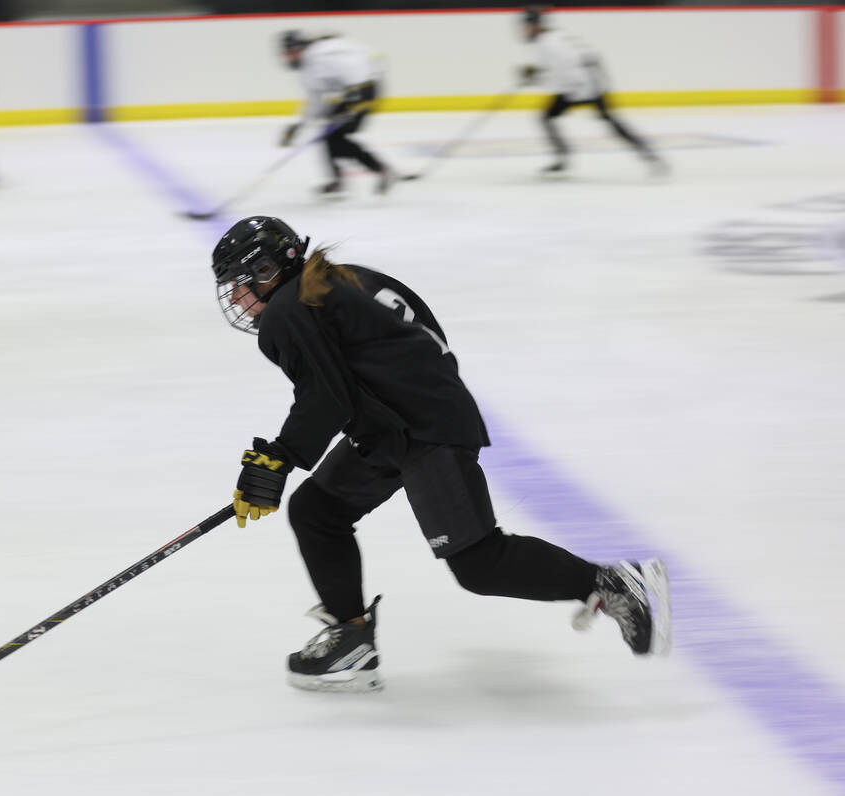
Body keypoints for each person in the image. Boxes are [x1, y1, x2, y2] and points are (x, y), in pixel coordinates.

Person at [211, 216, 671, 693]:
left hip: (423, 429)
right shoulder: (339, 277)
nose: (239, 300)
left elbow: (326, 399)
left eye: (240, 285)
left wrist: (278, 459)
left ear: (267, 271)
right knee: (317, 509)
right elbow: (420, 339)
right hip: (403, 423)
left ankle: (616, 583)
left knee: (478, 563)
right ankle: (350, 638)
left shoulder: (290, 308)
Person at [519, 7, 666, 177]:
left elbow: (564, 74)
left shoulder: (550, 44)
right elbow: (575, 64)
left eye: (527, 25)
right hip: (582, 84)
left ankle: (649, 156)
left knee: (611, 123)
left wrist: (536, 79)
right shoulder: (549, 39)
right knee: (547, 117)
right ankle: (563, 158)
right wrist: (538, 76)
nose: (524, 29)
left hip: (586, 86)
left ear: (536, 25)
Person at [278, 30, 394, 196]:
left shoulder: (321, 54)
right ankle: (339, 180)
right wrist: (300, 125)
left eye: (291, 52)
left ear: (300, 48)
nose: (288, 57)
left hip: (365, 89)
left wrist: (363, 88)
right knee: (329, 135)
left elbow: (358, 62)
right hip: (352, 93)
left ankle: (381, 169)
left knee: (336, 136)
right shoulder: (308, 66)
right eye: (286, 54)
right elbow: (316, 99)